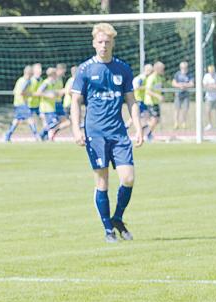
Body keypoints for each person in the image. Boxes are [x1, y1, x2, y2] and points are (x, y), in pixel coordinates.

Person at [70, 23, 143, 243]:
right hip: (96, 134)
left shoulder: (123, 68)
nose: (103, 46)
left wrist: (138, 127)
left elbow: (131, 101)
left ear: (113, 43)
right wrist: (76, 129)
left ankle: (117, 218)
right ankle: (108, 230)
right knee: (102, 183)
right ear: (94, 43)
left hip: (119, 134)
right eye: (100, 42)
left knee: (128, 178)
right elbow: (75, 101)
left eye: (107, 42)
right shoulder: (85, 70)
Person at [4, 65, 38, 141]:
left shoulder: (20, 80)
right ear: (29, 73)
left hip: (17, 102)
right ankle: (36, 135)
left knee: (17, 120)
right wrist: (30, 94)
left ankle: (8, 134)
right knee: (30, 118)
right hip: (22, 103)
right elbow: (22, 92)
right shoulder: (27, 81)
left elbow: (14, 91)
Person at [36, 67, 61, 140]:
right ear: (52, 75)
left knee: (51, 124)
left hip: (51, 107)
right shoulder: (46, 83)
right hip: (45, 107)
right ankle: (41, 134)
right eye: (55, 74)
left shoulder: (53, 83)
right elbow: (38, 92)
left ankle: (44, 136)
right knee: (55, 122)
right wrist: (48, 95)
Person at [143, 61, 165, 141]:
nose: (163, 70)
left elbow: (157, 89)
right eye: (162, 69)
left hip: (156, 102)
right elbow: (148, 91)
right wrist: (158, 96)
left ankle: (145, 128)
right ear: (157, 69)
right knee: (154, 119)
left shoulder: (159, 78)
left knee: (156, 120)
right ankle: (147, 134)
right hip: (150, 102)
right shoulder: (151, 78)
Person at [171, 61, 194, 130]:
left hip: (186, 94)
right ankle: (176, 123)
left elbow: (192, 84)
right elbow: (173, 83)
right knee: (177, 109)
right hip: (178, 94)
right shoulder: (177, 74)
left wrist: (185, 85)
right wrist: (179, 85)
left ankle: (184, 123)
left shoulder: (189, 74)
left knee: (185, 109)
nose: (184, 69)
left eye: (185, 67)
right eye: (182, 67)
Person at [130, 63, 152, 133]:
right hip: (138, 99)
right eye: (150, 71)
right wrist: (146, 88)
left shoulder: (146, 78)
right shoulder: (141, 78)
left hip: (142, 100)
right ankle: (143, 130)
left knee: (143, 115)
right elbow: (136, 87)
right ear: (147, 70)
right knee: (136, 116)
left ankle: (144, 129)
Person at [203, 64, 216, 130]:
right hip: (209, 97)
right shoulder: (206, 76)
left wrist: (211, 86)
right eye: (210, 71)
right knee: (208, 111)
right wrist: (213, 86)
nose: (211, 72)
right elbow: (205, 85)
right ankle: (209, 124)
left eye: (212, 71)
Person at [28, 62, 44, 133]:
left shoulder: (41, 80)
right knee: (30, 119)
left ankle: (43, 134)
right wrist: (37, 94)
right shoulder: (30, 80)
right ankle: (35, 134)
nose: (40, 70)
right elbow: (28, 93)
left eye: (40, 68)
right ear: (33, 70)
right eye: (38, 69)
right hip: (29, 103)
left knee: (43, 117)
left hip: (38, 104)